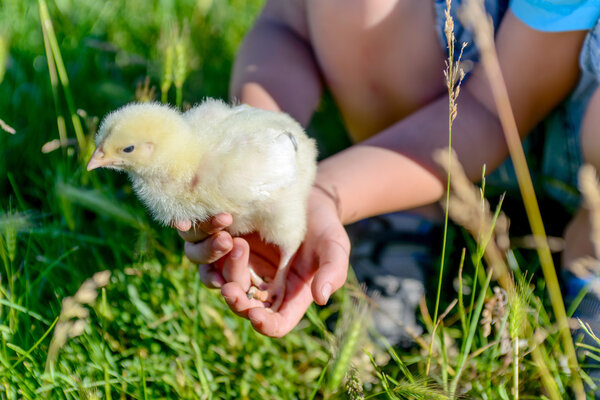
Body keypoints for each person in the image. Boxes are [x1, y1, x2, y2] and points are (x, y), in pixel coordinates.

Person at [177, 0, 600, 341]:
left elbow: (499, 107)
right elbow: (287, 21)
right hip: (450, 114)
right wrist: (263, 169)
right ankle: (403, 207)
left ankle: (593, 260)